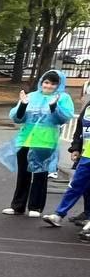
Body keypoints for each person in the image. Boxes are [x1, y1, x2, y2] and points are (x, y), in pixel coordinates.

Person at [0, 70, 74, 217]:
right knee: (23, 174)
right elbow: (18, 118)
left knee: (40, 174)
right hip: (26, 139)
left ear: (59, 85)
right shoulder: (32, 96)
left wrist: (54, 107)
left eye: (53, 84)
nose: (49, 86)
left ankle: (35, 206)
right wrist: (23, 105)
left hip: (45, 141)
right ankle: (18, 206)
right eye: (46, 82)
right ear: (41, 82)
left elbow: (63, 118)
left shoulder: (63, 98)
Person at [41, 91, 90, 228]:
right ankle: (59, 215)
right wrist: (76, 148)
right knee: (77, 185)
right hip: (87, 155)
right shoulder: (88, 107)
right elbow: (80, 129)